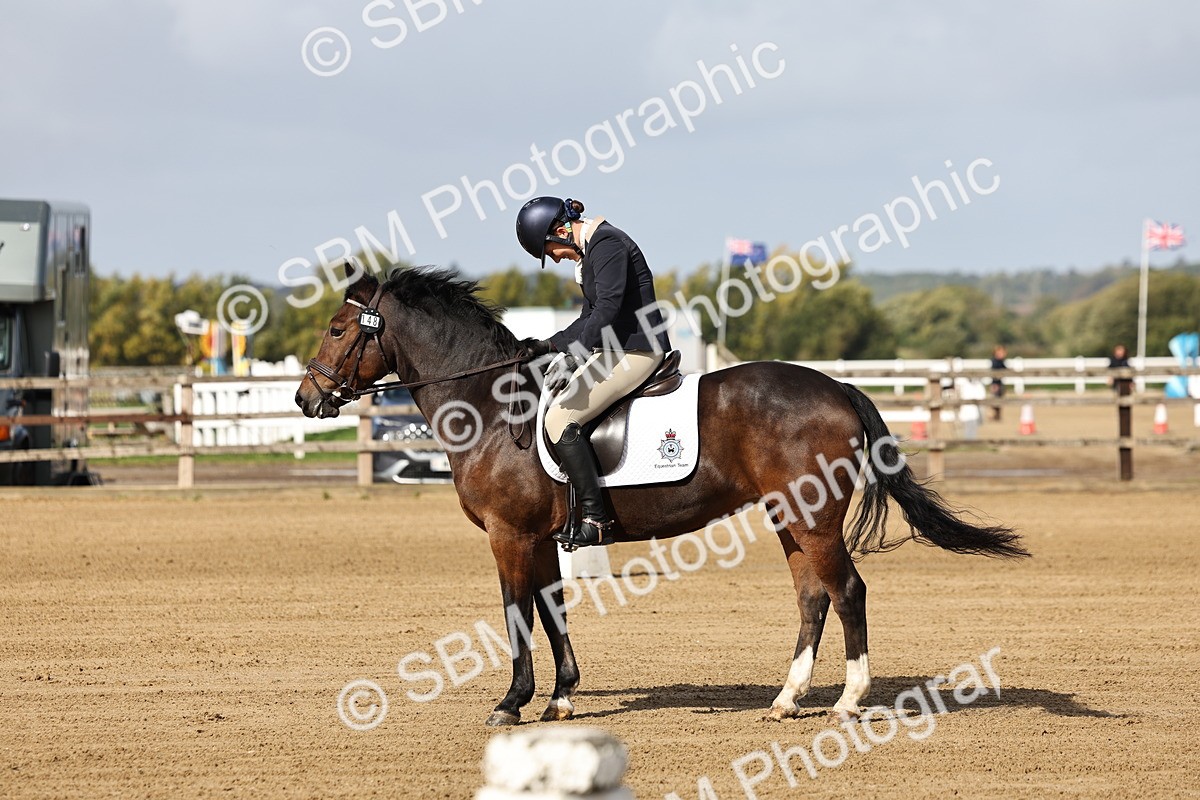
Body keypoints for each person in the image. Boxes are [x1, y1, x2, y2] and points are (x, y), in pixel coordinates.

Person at [515, 197, 671, 548]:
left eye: (551, 251)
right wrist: (548, 346)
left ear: (561, 231)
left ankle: (596, 519)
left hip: (637, 349)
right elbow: (588, 318)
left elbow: (608, 309)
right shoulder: (593, 252)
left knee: (560, 419)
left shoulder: (607, 244)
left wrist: (575, 356)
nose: (555, 258)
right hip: (615, 349)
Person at [988, 345, 1007, 422]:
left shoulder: (1001, 361)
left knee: (999, 399)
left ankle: (997, 416)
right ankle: (992, 414)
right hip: (995, 383)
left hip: (999, 382)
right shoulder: (995, 361)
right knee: (995, 399)